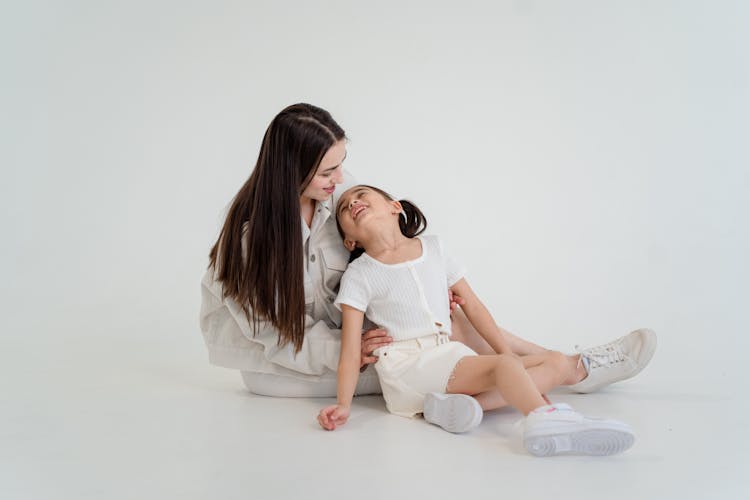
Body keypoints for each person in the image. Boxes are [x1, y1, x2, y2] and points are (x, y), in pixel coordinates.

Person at [200, 103, 656, 433]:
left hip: (354, 331)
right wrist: (348, 351)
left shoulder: (335, 203)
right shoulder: (249, 242)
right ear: (289, 173)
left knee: (446, 320)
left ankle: (565, 366)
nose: (341, 182)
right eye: (327, 173)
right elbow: (275, 337)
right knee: (426, 351)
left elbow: (382, 255)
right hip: (285, 366)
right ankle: (567, 370)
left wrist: (422, 287)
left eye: (341, 166)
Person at [318, 185, 636, 456]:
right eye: (346, 208)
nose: (354, 203)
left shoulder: (434, 248)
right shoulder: (360, 275)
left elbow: (474, 306)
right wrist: (343, 405)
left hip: (446, 356)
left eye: (361, 195)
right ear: (350, 241)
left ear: (394, 207)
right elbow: (350, 350)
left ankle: (453, 408)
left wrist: (505, 353)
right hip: (408, 368)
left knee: (555, 362)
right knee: (505, 368)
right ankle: (545, 419)